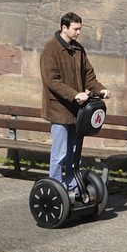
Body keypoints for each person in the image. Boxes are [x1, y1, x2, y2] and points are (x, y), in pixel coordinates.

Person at [40, 11, 108, 202]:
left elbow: (89, 76)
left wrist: (101, 89)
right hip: (59, 110)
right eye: (75, 29)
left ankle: (71, 186)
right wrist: (74, 94)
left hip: (77, 111)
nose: (78, 32)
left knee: (74, 151)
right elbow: (52, 81)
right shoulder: (50, 50)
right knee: (60, 152)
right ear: (64, 28)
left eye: (80, 29)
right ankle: (55, 188)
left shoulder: (78, 50)